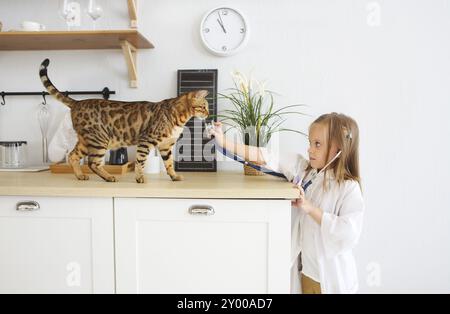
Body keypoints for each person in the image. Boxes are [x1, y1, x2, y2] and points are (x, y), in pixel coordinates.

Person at [208, 113, 365, 294]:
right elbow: (264, 155)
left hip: (332, 281)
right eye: (310, 142)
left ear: (339, 148)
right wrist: (223, 141)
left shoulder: (348, 188)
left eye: (317, 144)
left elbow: (349, 231)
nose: (310, 150)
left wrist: (309, 208)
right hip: (306, 275)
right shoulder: (305, 170)